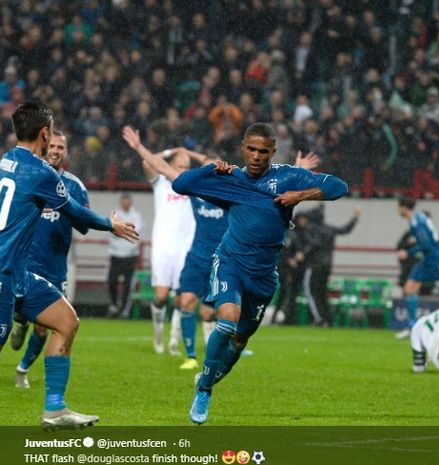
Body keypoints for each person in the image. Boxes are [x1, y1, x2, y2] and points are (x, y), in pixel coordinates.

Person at [0, 102, 139, 429]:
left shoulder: (6, 160)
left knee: (66, 321)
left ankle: (55, 410)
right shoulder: (40, 171)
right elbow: (74, 211)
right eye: (52, 132)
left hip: (16, 272)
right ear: (45, 133)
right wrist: (110, 224)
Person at [172, 122, 348, 424]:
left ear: (273, 152)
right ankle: (203, 390)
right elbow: (181, 185)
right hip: (230, 263)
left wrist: (300, 196)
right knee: (225, 324)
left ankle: (209, 377)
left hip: (264, 276)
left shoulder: (288, 176)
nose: (256, 156)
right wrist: (209, 168)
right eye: (251, 149)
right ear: (242, 147)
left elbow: (339, 187)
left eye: (263, 151)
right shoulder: (231, 179)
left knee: (239, 342)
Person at [123, 126, 320, 368]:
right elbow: (164, 168)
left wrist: (298, 172)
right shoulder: (201, 190)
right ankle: (191, 357)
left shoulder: (236, 193)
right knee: (185, 302)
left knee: (210, 314)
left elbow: (273, 198)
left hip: (224, 259)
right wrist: (140, 148)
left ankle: (219, 353)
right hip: (197, 254)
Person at [8, 129, 94, 390]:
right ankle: (20, 321)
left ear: (66, 153)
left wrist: (66, 209)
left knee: (45, 328)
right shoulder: (29, 177)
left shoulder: (75, 187)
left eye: (61, 148)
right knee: (22, 316)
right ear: (45, 148)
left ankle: (22, 370)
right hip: (25, 261)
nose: (56, 151)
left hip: (55, 266)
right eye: (53, 146)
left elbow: (84, 225)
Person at [142, 136, 196, 356]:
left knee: (181, 295)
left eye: (186, 166)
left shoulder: (194, 185)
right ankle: (158, 333)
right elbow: (147, 162)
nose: (183, 170)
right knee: (161, 296)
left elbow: (215, 163)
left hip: (186, 247)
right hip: (163, 246)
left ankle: (174, 341)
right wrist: (171, 149)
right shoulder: (161, 183)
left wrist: (189, 153)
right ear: (170, 167)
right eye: (179, 166)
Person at [395, 197, 439, 339]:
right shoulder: (418, 217)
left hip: (437, 258)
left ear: (404, 207)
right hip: (427, 259)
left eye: (398, 207)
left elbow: (426, 245)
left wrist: (408, 252)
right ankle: (412, 327)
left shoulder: (417, 222)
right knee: (409, 288)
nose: (397, 210)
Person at [302, 205, 361, 326]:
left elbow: (314, 244)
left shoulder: (311, 229)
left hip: (314, 264)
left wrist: (303, 253)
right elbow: (345, 230)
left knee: (310, 292)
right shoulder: (328, 229)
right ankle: (327, 318)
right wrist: (355, 218)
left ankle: (318, 318)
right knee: (322, 293)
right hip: (327, 265)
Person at [107, 192, 144, 318]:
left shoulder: (136, 216)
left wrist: (119, 230)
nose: (126, 203)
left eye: (128, 201)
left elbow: (135, 232)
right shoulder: (116, 215)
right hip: (116, 254)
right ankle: (113, 305)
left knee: (128, 284)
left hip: (130, 255)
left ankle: (123, 311)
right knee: (112, 281)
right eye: (124, 201)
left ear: (131, 202)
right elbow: (110, 229)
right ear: (121, 202)